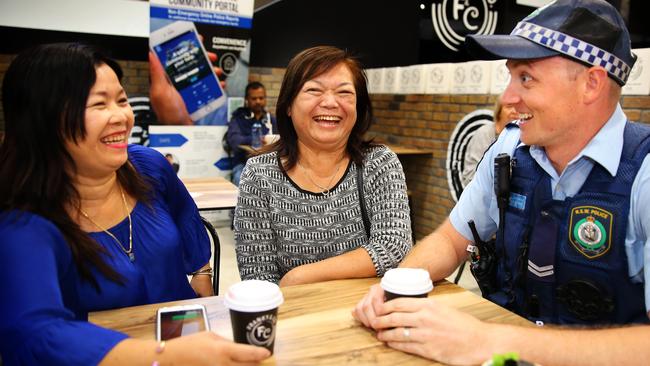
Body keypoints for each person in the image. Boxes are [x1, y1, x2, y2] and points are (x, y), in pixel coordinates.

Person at [353, 1, 650, 365]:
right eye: (510, 77)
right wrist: (394, 286)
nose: (507, 98)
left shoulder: (644, 174)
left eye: (526, 78)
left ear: (591, 84)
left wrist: (489, 339)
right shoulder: (510, 147)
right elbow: (450, 240)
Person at [0, 43, 270, 365]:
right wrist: (164, 357)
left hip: (183, 335)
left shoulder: (149, 166)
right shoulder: (22, 221)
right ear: (45, 120)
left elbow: (185, 215)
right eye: (99, 104)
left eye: (122, 100)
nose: (121, 117)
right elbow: (34, 333)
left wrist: (200, 271)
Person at [234, 46, 412, 286]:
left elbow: (394, 247)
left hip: (370, 312)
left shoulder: (379, 163)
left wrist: (299, 276)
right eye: (314, 90)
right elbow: (258, 278)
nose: (330, 102)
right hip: (295, 318)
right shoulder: (259, 174)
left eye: (344, 92)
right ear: (288, 105)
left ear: (359, 107)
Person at [226, 82, 278, 186]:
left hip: (267, 165)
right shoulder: (238, 118)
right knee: (242, 181)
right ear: (247, 99)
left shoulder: (271, 119)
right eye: (254, 99)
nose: (258, 101)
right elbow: (234, 140)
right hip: (243, 163)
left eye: (261, 98)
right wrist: (258, 139)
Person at [460, 98, 518, 187]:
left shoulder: (518, 137)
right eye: (509, 106)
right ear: (499, 111)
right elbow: (471, 176)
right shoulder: (485, 134)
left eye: (518, 107)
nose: (515, 111)